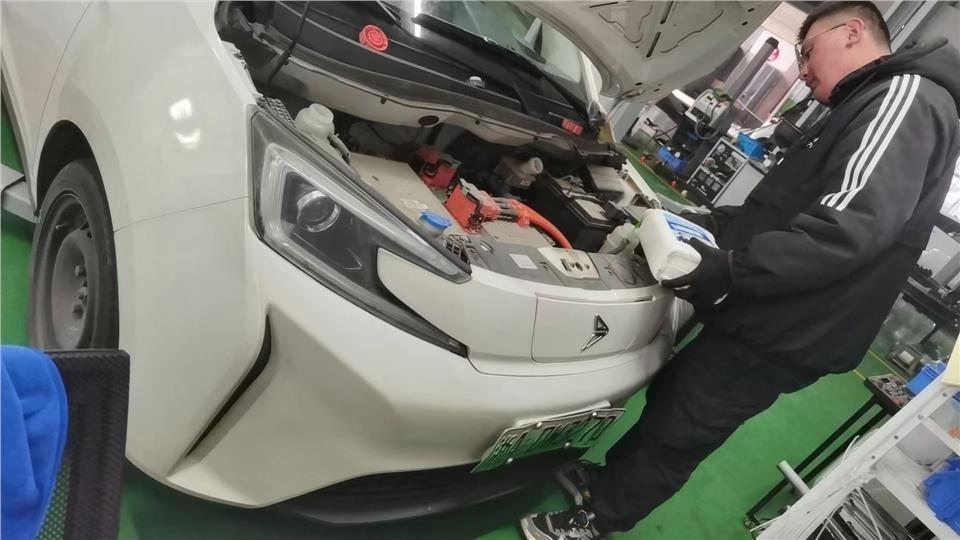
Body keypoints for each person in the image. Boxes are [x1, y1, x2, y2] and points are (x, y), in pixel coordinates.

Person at [520, 2, 960, 538]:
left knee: (688, 421)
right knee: (678, 396)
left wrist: (729, 270)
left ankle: (600, 517)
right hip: (774, 307)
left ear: (851, 32)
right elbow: (779, 211)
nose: (802, 69)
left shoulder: (903, 98)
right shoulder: (864, 102)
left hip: (795, 325)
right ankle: (610, 482)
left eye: (806, 51)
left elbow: (845, 229)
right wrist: (702, 223)